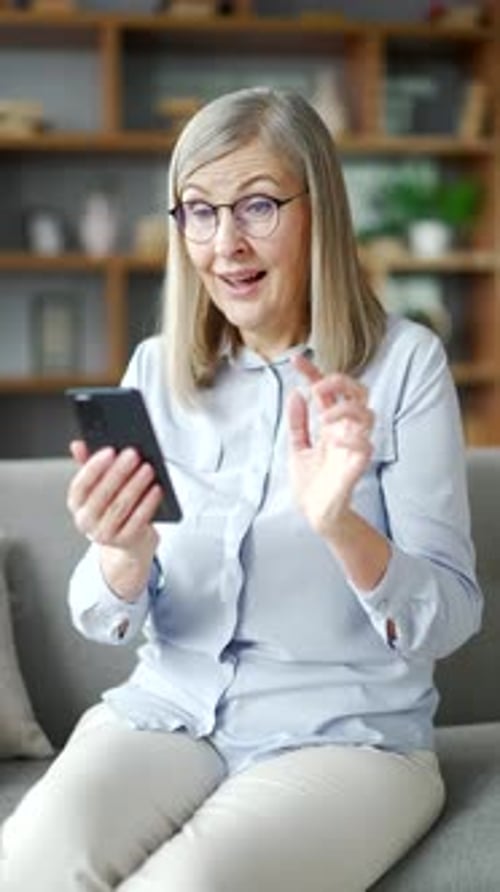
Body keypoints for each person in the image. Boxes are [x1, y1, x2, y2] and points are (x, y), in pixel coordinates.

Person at [1, 87, 483, 892]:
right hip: (167, 714)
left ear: (318, 209)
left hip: (346, 740)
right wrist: (122, 553)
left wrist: (341, 526)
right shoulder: (158, 371)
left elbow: (451, 616)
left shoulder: (404, 368)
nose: (225, 243)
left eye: (257, 205)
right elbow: (105, 615)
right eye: (198, 210)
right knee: (21, 870)